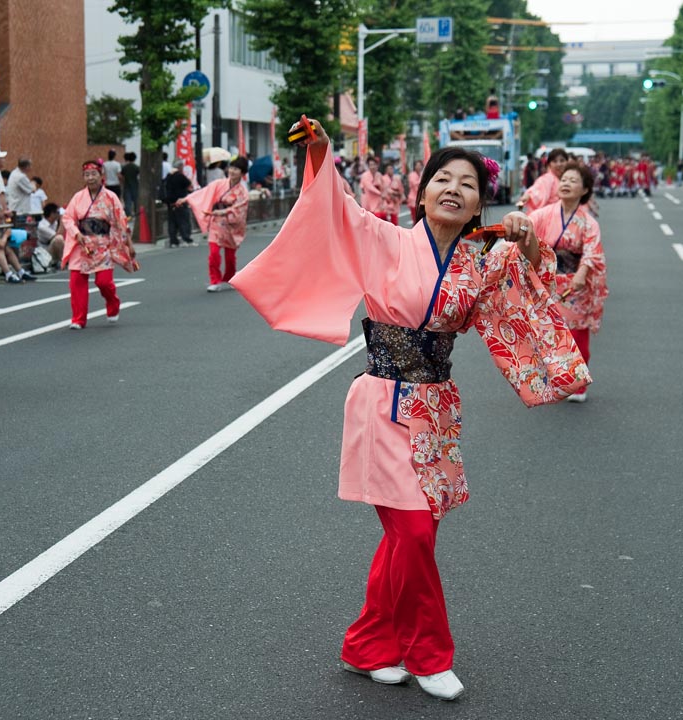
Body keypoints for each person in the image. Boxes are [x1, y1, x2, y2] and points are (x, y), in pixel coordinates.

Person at [230, 118, 589, 702]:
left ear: (479, 202)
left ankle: (367, 645)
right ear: (421, 193)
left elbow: (536, 292)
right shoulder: (386, 239)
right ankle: (428, 655)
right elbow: (336, 210)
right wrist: (320, 153)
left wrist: (525, 240)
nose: (453, 188)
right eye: (441, 178)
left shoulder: (483, 261)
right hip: (382, 402)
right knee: (415, 532)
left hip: (438, 410)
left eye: (467, 183)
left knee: (407, 538)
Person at [529, 163, 608, 403]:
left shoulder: (588, 223)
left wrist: (582, 273)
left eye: (573, 180)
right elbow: (527, 227)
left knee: (576, 336)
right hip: (548, 282)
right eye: (564, 179)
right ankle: (553, 378)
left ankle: (578, 383)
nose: (565, 183)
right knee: (547, 335)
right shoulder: (545, 214)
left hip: (575, 285)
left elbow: (593, 252)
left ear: (584, 190)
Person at [61, 160, 137, 328]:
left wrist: (128, 244)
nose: (90, 178)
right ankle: (78, 319)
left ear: (101, 175)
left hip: (103, 245)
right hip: (82, 244)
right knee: (76, 283)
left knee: (103, 282)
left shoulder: (111, 197)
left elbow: (121, 221)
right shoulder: (78, 197)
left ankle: (113, 303)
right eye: (87, 175)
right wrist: (76, 233)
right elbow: (67, 218)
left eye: (93, 174)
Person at [182, 155, 249, 292]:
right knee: (213, 253)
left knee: (230, 257)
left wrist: (223, 212)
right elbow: (204, 192)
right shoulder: (219, 184)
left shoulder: (243, 192)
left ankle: (230, 276)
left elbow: (239, 209)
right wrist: (186, 199)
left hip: (231, 226)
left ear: (242, 173)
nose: (232, 171)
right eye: (231, 167)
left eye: (236, 169)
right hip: (216, 223)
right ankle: (215, 280)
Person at [517, 148, 568, 212]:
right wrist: (528, 196)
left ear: (567, 162)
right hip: (548, 216)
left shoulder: (569, 178)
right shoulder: (547, 178)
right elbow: (536, 189)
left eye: (562, 160)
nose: (559, 164)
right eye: (555, 161)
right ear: (549, 164)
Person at [164, 159, 196, 248]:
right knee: (184, 221)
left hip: (170, 202)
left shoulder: (168, 176)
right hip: (180, 201)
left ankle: (173, 241)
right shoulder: (179, 176)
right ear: (180, 166)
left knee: (172, 222)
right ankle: (186, 239)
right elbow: (188, 183)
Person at [36, 202, 65, 267]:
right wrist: (62, 220)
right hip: (45, 252)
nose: (58, 214)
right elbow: (58, 236)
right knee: (59, 239)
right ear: (52, 214)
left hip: (51, 247)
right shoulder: (42, 226)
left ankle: (65, 260)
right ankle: (61, 261)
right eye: (57, 212)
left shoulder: (54, 222)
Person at [121, 152, 140, 217]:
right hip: (135, 185)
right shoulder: (136, 167)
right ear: (135, 159)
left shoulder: (125, 167)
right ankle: (137, 214)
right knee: (136, 201)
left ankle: (128, 215)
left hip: (127, 186)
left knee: (128, 202)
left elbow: (122, 176)